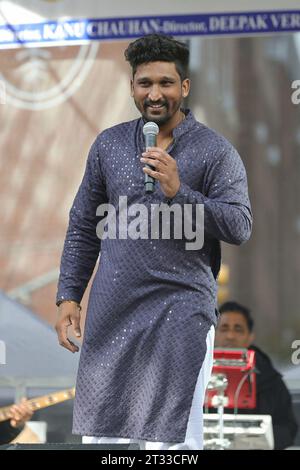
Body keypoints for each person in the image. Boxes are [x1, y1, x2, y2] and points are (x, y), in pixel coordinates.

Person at [55, 34, 252, 450]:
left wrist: (181, 191)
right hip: (113, 313)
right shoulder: (108, 144)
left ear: (185, 86)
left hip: (181, 311)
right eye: (145, 83)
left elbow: (239, 225)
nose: (154, 93)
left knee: (173, 444)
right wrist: (69, 296)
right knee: (106, 442)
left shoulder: (215, 151)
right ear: (132, 87)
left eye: (165, 83)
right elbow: (82, 225)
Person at [214, 301, 298, 449]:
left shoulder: (269, 379)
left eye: (238, 329)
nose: (230, 336)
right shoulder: (197, 374)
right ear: (213, 333)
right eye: (224, 328)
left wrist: (254, 441)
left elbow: (288, 428)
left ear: (250, 336)